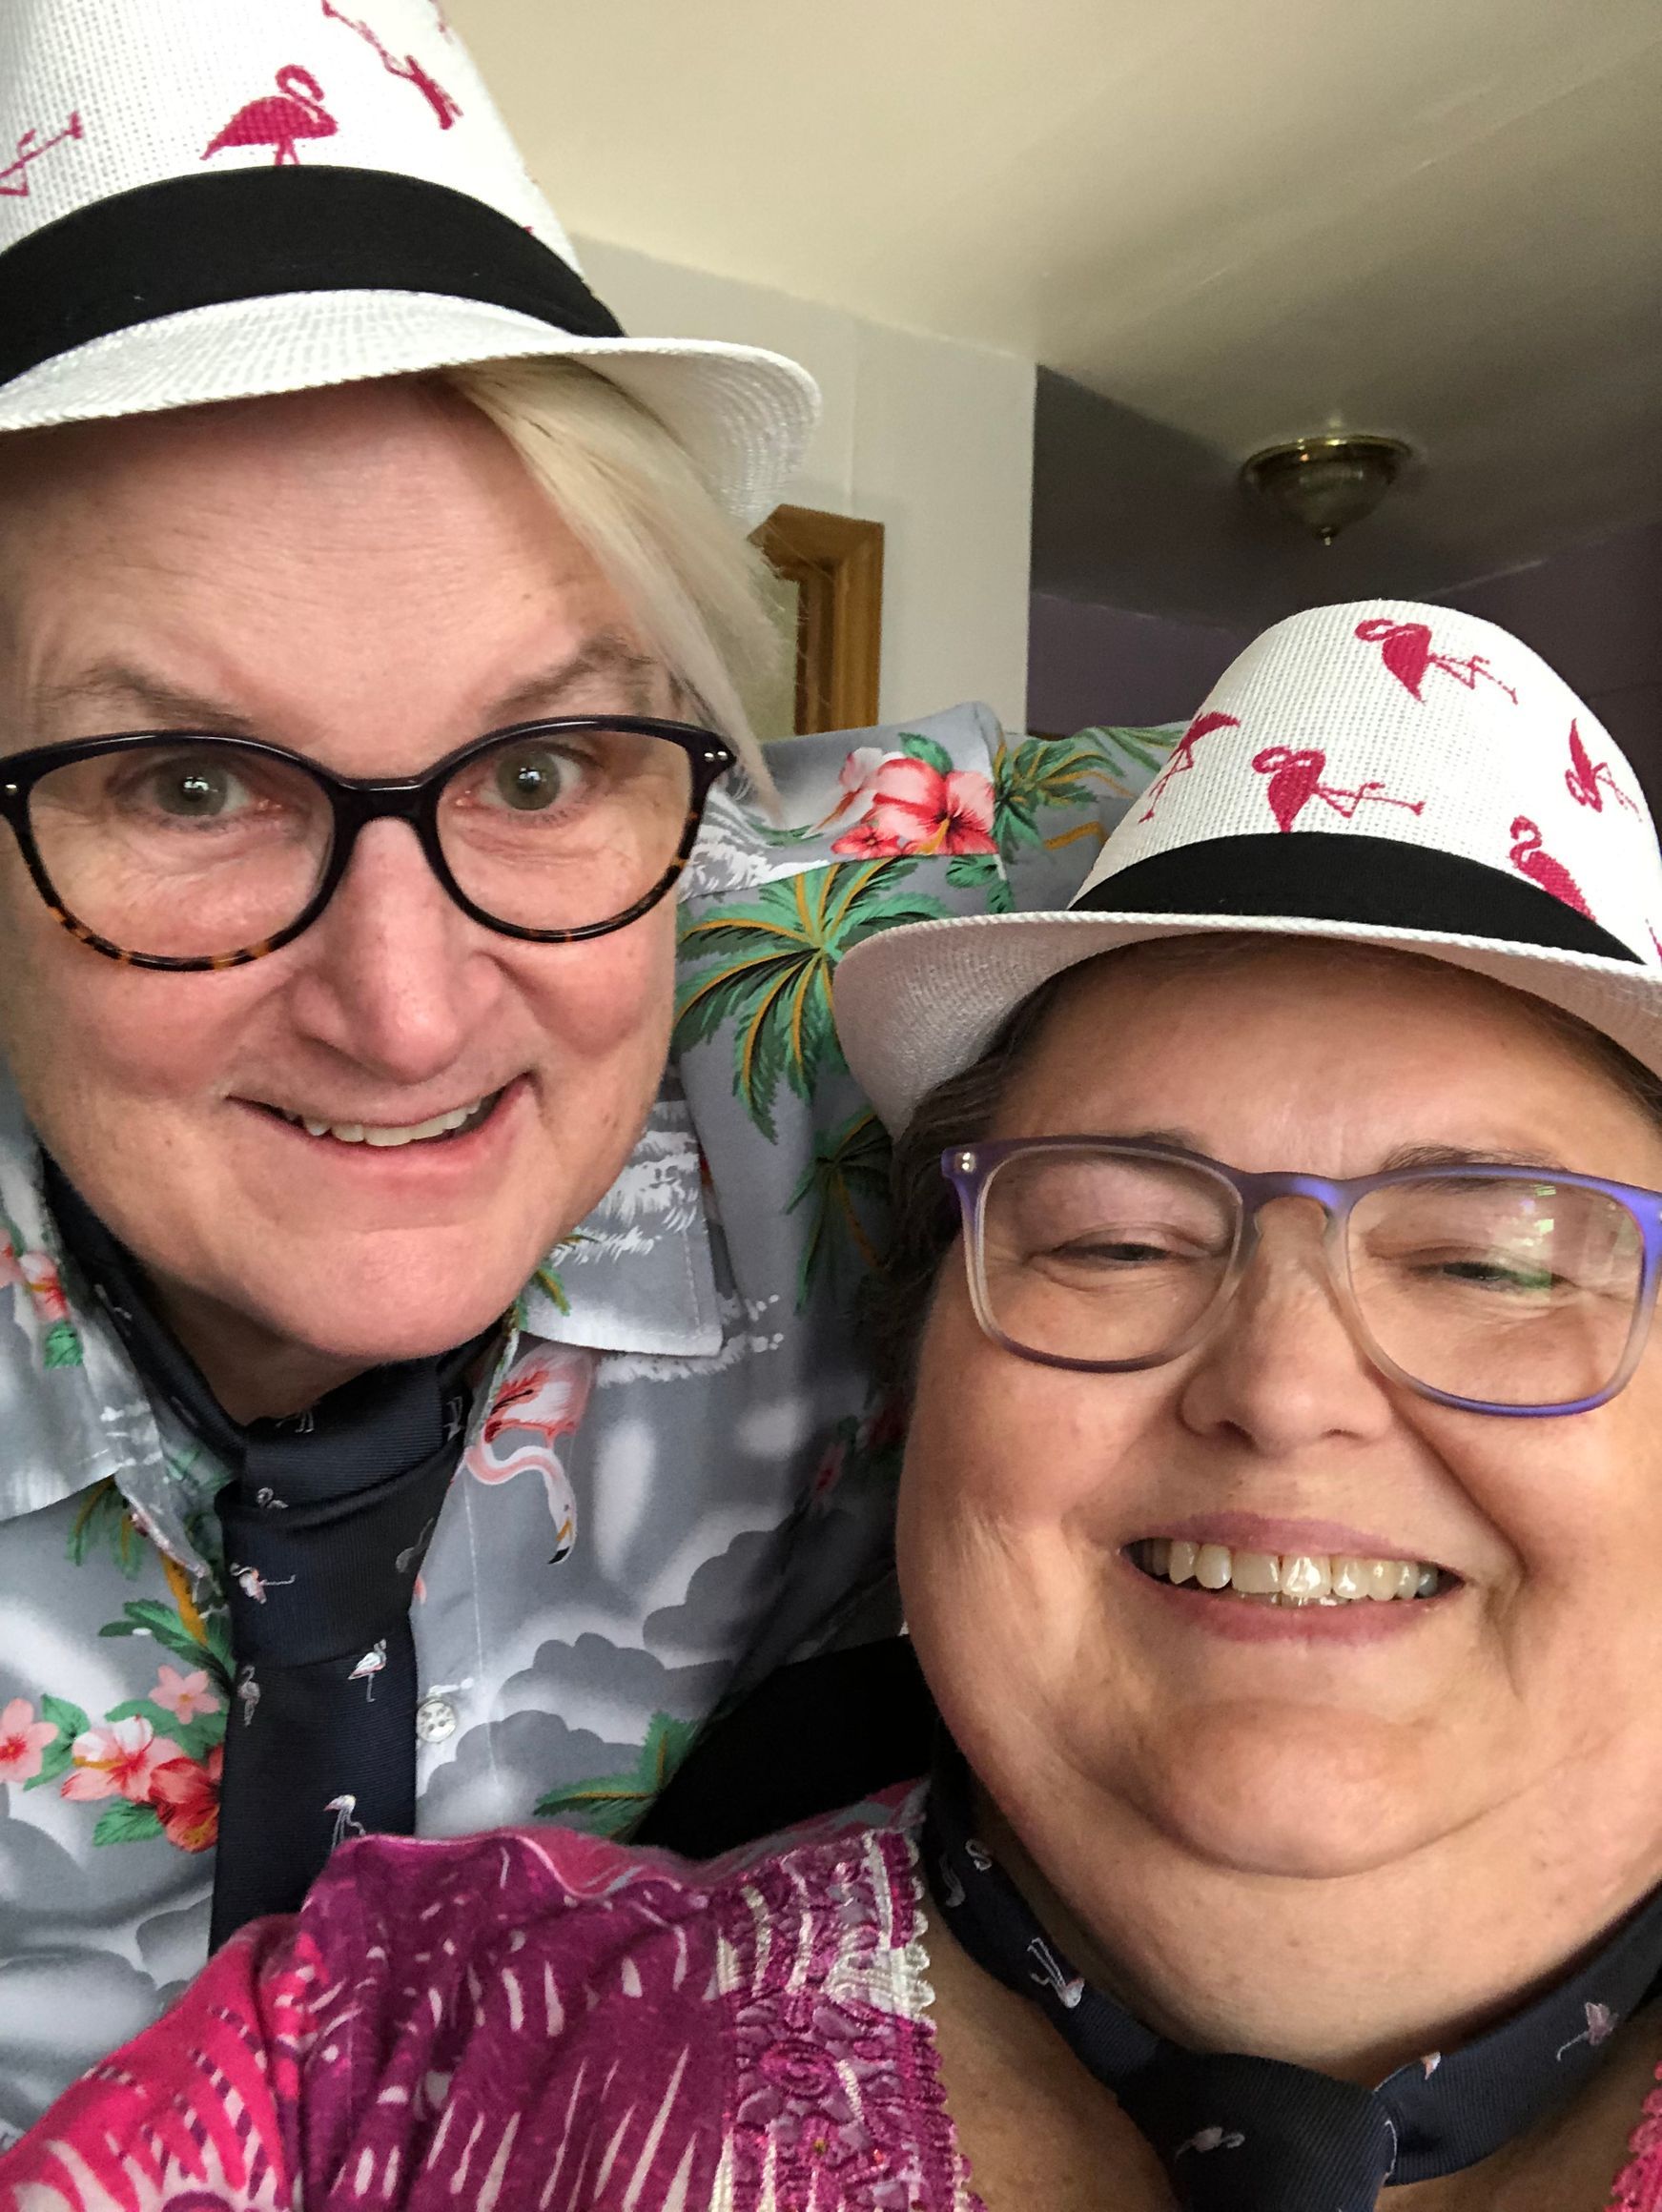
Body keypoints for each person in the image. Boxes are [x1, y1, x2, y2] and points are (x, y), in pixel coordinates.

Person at [12, 597, 1662, 2212]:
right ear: (915, 1377)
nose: (1285, 1390)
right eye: (1114, 1238)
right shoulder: (372, 2060)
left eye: (1498, 1265)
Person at [0, 0, 1110, 2136]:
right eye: (185, 781)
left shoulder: (799, 964)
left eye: (534, 760)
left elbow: (1440, 861)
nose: (408, 1011)